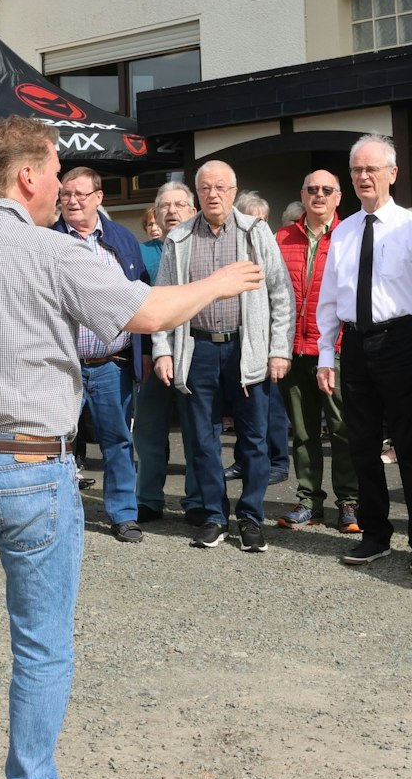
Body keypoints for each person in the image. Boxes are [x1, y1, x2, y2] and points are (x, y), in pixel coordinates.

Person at [0, 115, 262, 779]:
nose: (63, 187)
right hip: (28, 464)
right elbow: (144, 313)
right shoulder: (54, 252)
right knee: (41, 641)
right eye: (55, 173)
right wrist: (218, 279)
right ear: (26, 176)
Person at [319, 136, 412, 572]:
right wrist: (324, 353)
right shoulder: (344, 231)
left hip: (402, 342)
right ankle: (374, 534)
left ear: (393, 173)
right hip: (355, 344)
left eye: (372, 169)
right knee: (361, 445)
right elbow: (330, 297)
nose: (364, 177)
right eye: (357, 170)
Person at [152, 161, 292, 551]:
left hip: (247, 348)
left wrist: (279, 350)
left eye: (221, 187)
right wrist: (163, 351)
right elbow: (163, 299)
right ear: (197, 194)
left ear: (233, 191)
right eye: (206, 188)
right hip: (196, 349)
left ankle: (250, 518)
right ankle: (214, 516)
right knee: (202, 440)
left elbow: (280, 293)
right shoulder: (179, 239)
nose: (213, 194)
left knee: (254, 440)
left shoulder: (255, 232)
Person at [52, 167, 151, 542]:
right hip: (63, 366)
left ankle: (124, 514)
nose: (73, 201)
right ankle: (57, 515)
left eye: (80, 194)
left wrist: (146, 351)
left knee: (117, 441)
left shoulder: (122, 240)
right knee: (55, 444)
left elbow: (141, 295)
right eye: (66, 195)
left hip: (113, 364)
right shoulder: (47, 240)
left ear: (98, 198)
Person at [275, 169, 360, 532]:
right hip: (293, 349)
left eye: (327, 190)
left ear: (339, 197)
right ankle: (309, 500)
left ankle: (350, 502)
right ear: (302, 194)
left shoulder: (351, 236)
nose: (319, 195)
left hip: (337, 350)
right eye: (312, 189)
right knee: (304, 431)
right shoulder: (281, 239)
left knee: (343, 429)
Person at [133, 182, 204, 523]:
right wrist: (145, 352)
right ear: (156, 214)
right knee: (148, 432)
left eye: (180, 205)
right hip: (150, 356)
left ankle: (196, 500)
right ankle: (148, 498)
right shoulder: (141, 254)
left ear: (193, 211)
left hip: (196, 354)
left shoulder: (204, 249)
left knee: (197, 432)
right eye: (165, 206)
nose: (172, 211)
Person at [236, 190, 292, 486]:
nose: (260, 223)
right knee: (243, 407)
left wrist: (278, 347)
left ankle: (279, 462)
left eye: (264, 219)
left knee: (272, 407)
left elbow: (281, 296)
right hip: (240, 341)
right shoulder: (235, 244)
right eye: (253, 218)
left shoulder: (269, 246)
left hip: (267, 339)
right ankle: (241, 461)